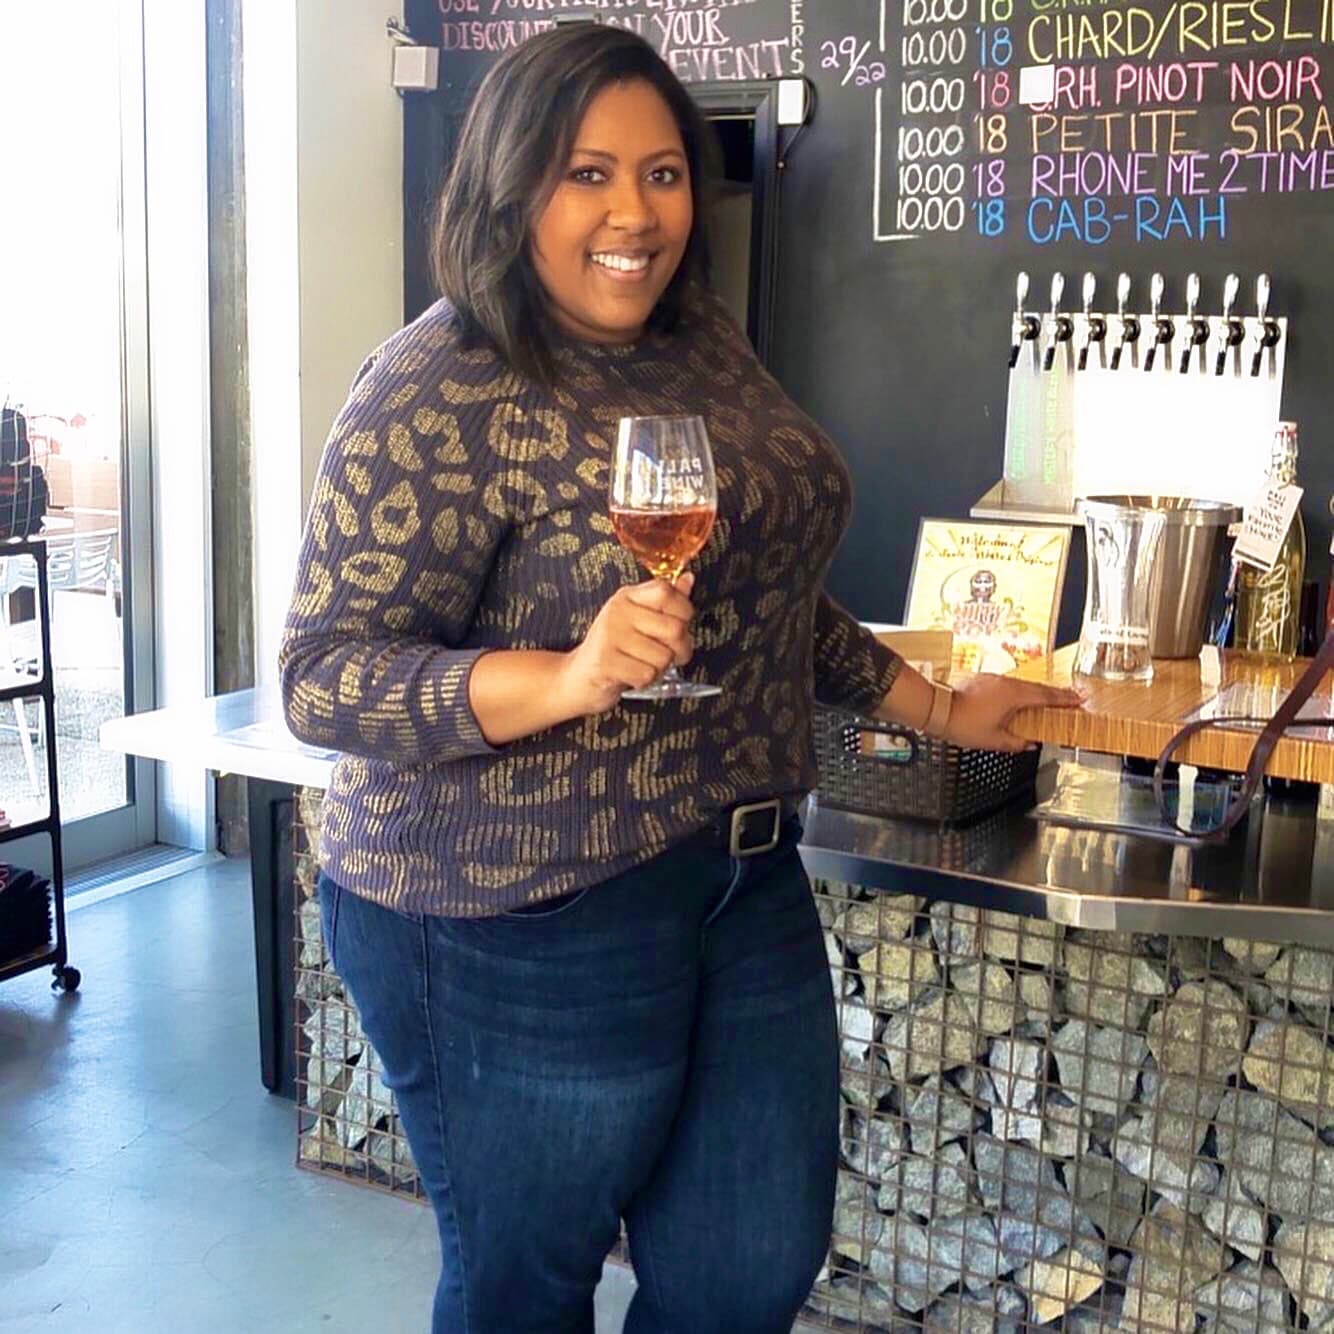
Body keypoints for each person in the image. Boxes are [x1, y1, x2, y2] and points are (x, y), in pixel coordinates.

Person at [280, 24, 1081, 1334]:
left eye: (661, 175)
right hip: (513, 906)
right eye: (585, 173)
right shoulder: (437, 380)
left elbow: (759, 594)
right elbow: (324, 679)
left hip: (734, 870)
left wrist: (937, 707)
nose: (632, 212)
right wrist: (565, 675)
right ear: (509, 184)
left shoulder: (698, 342)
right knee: (523, 1281)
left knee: (743, 1270)